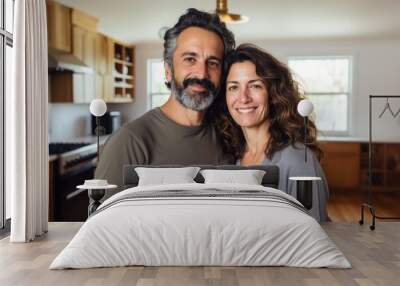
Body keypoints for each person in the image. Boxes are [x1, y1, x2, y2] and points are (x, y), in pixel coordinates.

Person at [95, 9, 236, 188]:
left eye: (213, 63)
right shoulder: (129, 142)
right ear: (168, 70)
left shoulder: (227, 134)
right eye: (190, 59)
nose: (202, 73)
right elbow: (105, 216)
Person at [211, 44, 329, 221]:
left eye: (255, 86)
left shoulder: (297, 160)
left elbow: (314, 236)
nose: (243, 98)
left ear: (273, 94)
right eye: (233, 87)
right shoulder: (234, 156)